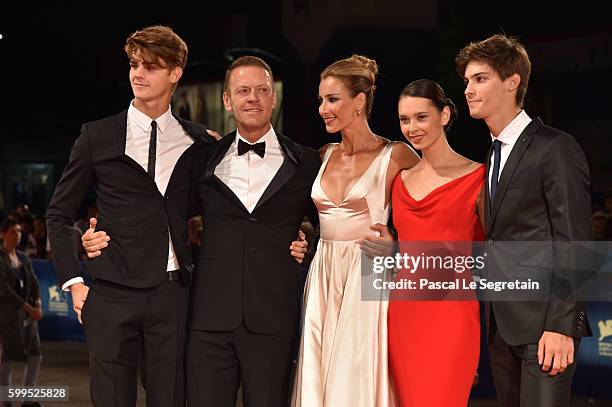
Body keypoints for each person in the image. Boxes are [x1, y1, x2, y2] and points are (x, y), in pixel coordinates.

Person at [46, 25, 217, 406]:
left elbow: (223, 212)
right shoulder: (97, 136)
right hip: (109, 293)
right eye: (134, 64)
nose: (137, 73)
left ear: (175, 73)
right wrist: (74, 281)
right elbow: (58, 213)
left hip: (172, 295)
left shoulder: (199, 142)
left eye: (151, 66)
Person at [456, 34, 592, 407]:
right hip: (502, 325)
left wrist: (562, 326)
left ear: (512, 81)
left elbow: (574, 242)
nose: (468, 89)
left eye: (480, 78)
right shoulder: (493, 153)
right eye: (467, 81)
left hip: (545, 327)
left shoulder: (555, 147)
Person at [291, 55, 419, 406]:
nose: (322, 109)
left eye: (332, 99)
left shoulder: (396, 155)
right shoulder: (322, 155)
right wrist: (301, 236)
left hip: (369, 273)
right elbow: (292, 213)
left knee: (355, 376)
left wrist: (399, 245)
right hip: (323, 273)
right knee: (319, 376)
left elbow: (432, 212)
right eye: (320, 100)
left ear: (359, 101)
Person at [382, 79, 485, 406]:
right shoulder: (398, 180)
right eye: (404, 119)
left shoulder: (478, 178)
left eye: (421, 117)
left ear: (445, 115)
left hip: (452, 318)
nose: (412, 127)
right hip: (403, 317)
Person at [0, 218, 43, 407]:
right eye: (12, 231)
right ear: (2, 234)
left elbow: (34, 281)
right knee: (6, 358)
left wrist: (38, 303)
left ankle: (29, 398)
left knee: (35, 355)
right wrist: (29, 308)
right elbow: (5, 290)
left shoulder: (24, 257)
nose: (17, 235)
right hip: (7, 316)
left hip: (28, 317)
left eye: (18, 231)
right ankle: (5, 399)